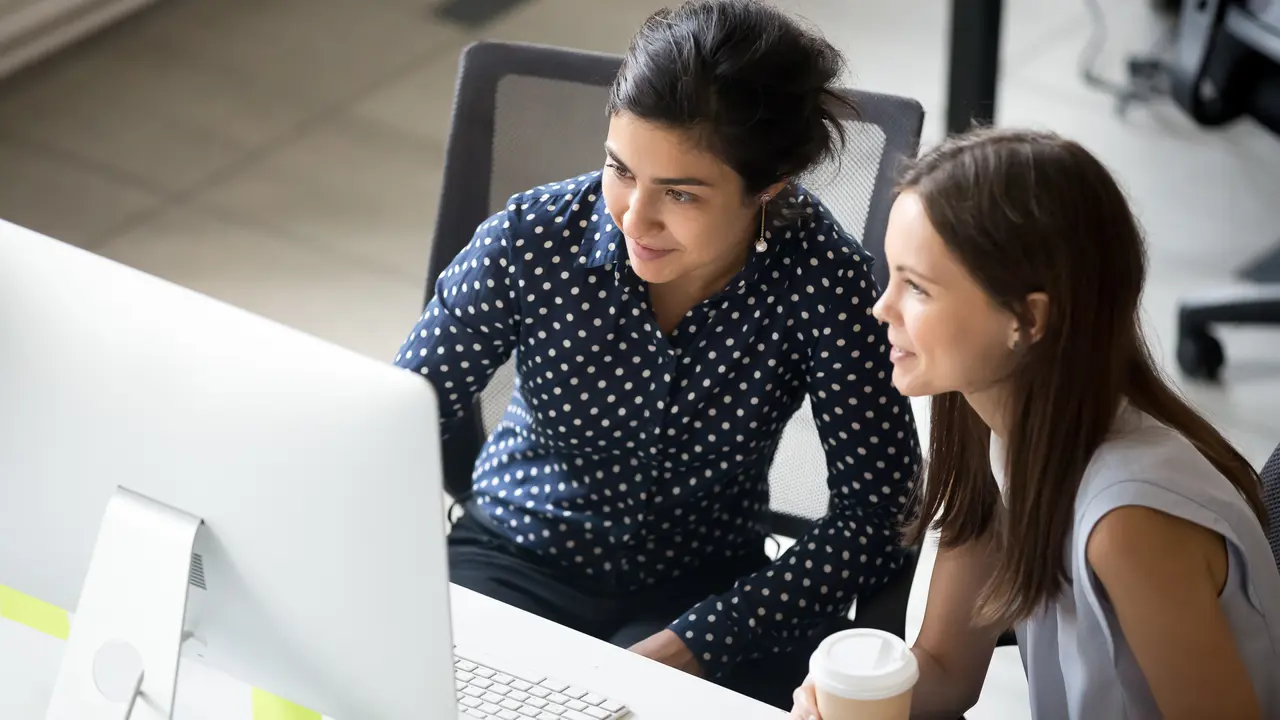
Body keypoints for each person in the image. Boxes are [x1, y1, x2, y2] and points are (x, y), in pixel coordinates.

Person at [394, 0, 921, 709]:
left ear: (770, 186)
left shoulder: (823, 279)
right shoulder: (531, 238)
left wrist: (703, 639)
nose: (634, 218)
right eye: (620, 169)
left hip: (704, 588)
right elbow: (394, 422)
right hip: (514, 556)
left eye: (679, 193)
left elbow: (879, 510)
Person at [791, 128, 1280, 719]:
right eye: (890, 275)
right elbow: (946, 668)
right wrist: (852, 703)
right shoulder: (990, 429)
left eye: (916, 287)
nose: (881, 307)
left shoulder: (1129, 524)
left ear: (1026, 319)